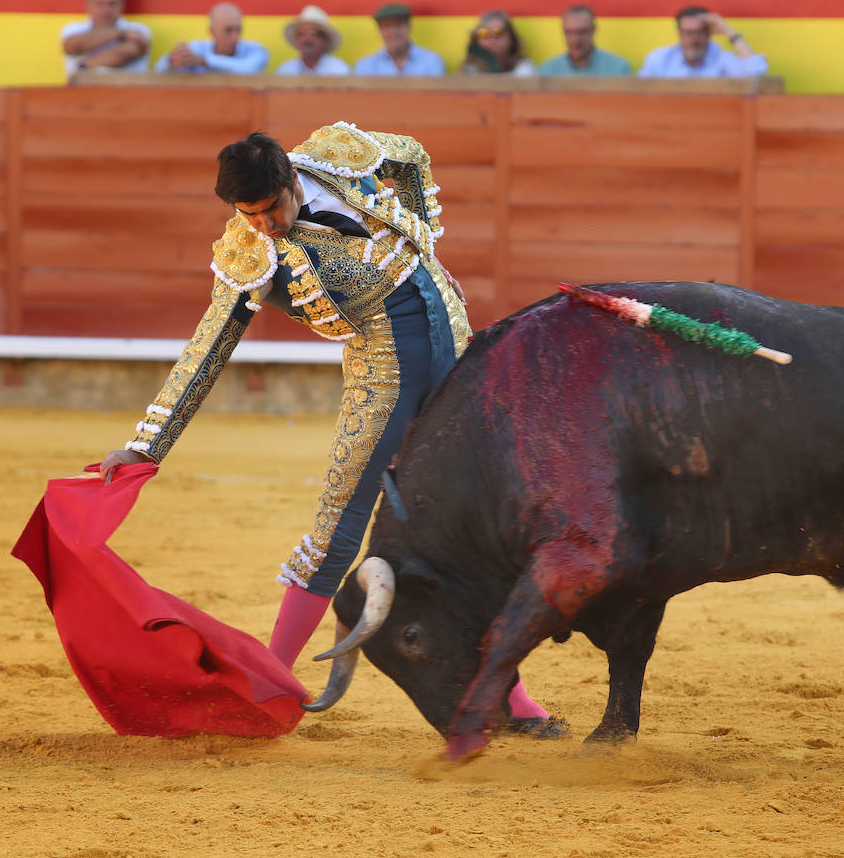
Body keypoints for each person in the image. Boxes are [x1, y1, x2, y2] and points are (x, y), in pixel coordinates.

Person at [96, 123, 562, 735]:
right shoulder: (250, 254)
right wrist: (146, 443)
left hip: (450, 343)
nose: (265, 226)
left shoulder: (338, 157)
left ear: (292, 180)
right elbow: (207, 349)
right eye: (248, 215)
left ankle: (513, 703)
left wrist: (421, 244)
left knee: (467, 524)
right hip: (384, 376)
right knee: (338, 528)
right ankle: (265, 686)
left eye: (270, 209)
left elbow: (411, 156)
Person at [638, 6, 767, 78]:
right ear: (679, 33)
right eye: (688, 32)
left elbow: (756, 72)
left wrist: (728, 30)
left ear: (709, 33)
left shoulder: (722, 58)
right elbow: (639, 91)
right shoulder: (660, 58)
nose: (694, 38)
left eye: (700, 32)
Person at [60, 0, 151, 79]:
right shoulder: (73, 28)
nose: (105, 9)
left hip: (127, 92)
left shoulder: (140, 28)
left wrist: (84, 68)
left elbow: (132, 49)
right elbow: (73, 46)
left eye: (111, 4)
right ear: (88, 3)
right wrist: (121, 33)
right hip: (85, 93)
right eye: (99, 3)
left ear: (122, 3)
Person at [155, 2, 269, 75]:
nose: (235, 37)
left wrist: (204, 60)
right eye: (228, 30)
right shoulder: (196, 48)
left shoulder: (256, 50)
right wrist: (172, 60)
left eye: (238, 30)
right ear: (212, 31)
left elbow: (246, 70)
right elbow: (159, 69)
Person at [353, 2, 446, 77]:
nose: (393, 32)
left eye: (398, 25)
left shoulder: (431, 61)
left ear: (409, 27)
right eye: (386, 27)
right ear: (380, 31)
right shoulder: (366, 65)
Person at [538, 5, 633, 76]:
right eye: (570, 32)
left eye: (582, 32)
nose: (576, 40)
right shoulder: (548, 71)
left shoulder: (617, 68)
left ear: (594, 30)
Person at [275, 5, 349, 76]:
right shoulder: (285, 70)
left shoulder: (339, 70)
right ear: (295, 39)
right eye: (301, 34)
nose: (307, 38)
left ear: (326, 40)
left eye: (314, 34)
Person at [459, 10, 536, 77]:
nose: (491, 39)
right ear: (476, 39)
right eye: (484, 33)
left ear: (511, 38)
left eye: (498, 33)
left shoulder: (524, 67)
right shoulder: (470, 69)